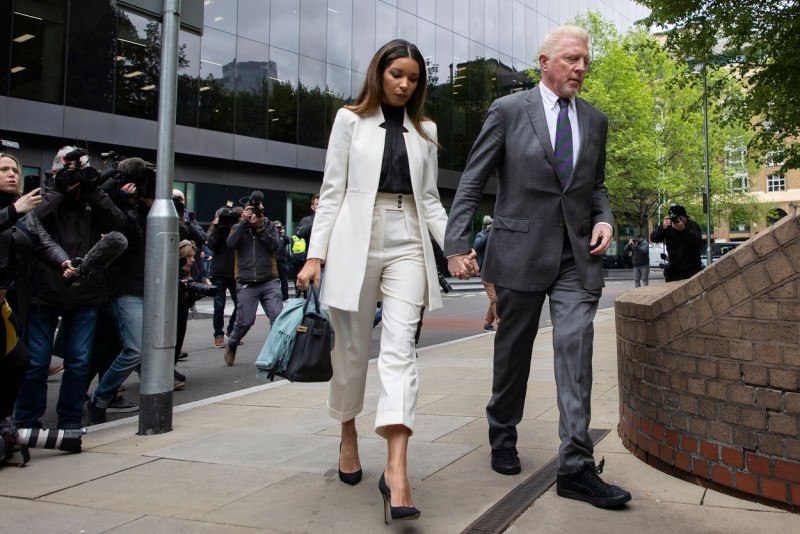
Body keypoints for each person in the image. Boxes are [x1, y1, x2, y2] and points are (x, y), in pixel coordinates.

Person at [444, 25, 631, 508]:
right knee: (514, 353)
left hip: (575, 258)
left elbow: (596, 188)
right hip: (519, 253)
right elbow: (472, 180)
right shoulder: (508, 111)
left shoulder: (595, 119)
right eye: (572, 59)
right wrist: (456, 244)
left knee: (576, 353)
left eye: (586, 61)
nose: (581, 68)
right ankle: (502, 433)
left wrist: (606, 220)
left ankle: (576, 466)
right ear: (545, 61)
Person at [296, 39, 449, 523]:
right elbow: (333, 190)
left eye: (413, 78)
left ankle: (397, 472)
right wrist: (314, 256)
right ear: (379, 73)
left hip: (407, 236)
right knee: (352, 351)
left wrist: (459, 249)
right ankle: (348, 433)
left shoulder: (426, 129)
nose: (405, 84)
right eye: (397, 74)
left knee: (401, 349)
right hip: (353, 239)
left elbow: (430, 201)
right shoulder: (349, 120)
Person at [15, 146, 127, 430]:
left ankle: (70, 421)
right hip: (45, 290)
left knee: (78, 363)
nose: (76, 174)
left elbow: (118, 223)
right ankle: (27, 422)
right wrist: (60, 188)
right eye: (70, 169)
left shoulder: (92, 196)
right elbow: (29, 222)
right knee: (37, 363)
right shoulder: (42, 193)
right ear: (55, 170)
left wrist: (91, 190)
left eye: (82, 168)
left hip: (86, 291)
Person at [85, 159, 157, 424]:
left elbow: (184, 233)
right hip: (127, 290)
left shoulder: (162, 215)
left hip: (155, 291)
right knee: (135, 349)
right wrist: (123, 198)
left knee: (151, 350)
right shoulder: (125, 215)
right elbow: (105, 212)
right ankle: (100, 399)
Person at [222, 195, 282, 366]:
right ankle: (232, 343)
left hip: (269, 279)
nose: (256, 213)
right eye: (252, 210)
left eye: (259, 210)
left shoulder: (269, 226)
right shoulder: (238, 227)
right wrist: (244, 223)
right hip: (246, 281)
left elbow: (274, 247)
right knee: (245, 322)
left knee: (277, 317)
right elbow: (231, 244)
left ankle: (273, 353)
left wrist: (260, 227)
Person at [207, 205, 241, 348]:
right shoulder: (217, 229)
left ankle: (231, 330)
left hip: (234, 271)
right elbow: (212, 245)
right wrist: (219, 228)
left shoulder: (237, 229)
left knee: (240, 303)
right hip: (219, 271)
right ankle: (218, 335)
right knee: (219, 305)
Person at [650, 204, 703, 282]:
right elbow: (654, 238)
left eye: (680, 218)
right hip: (674, 270)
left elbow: (698, 242)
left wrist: (683, 230)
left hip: (691, 269)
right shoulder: (669, 227)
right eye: (674, 218)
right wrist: (662, 228)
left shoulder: (692, 226)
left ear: (685, 217)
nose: (677, 221)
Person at [473, 215, 498, 331]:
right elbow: (476, 246)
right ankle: (501, 322)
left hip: (496, 272)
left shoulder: (496, 237)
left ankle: (487, 323)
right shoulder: (481, 235)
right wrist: (488, 233)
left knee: (494, 299)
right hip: (485, 272)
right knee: (495, 298)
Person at [274, 220, 292, 301]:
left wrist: (283, 234)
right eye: (276, 227)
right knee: (274, 280)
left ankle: (285, 296)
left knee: (284, 279)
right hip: (273, 261)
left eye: (279, 227)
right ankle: (275, 296)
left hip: (282, 260)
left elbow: (288, 241)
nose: (278, 229)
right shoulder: (272, 236)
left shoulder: (283, 236)